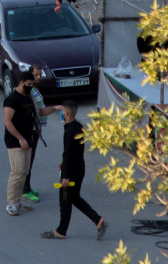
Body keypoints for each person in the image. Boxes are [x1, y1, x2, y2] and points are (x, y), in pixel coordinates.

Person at [42, 100, 106, 240]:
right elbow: (73, 151)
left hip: (71, 172)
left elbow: (69, 154)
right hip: (79, 168)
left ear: (66, 113)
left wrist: (66, 176)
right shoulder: (78, 126)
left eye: (62, 111)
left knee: (65, 200)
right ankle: (97, 220)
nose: (61, 113)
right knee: (75, 198)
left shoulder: (69, 131)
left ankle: (61, 231)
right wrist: (63, 162)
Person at [22, 65, 64, 204]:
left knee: (30, 160)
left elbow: (40, 110)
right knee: (27, 162)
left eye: (40, 74)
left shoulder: (35, 89)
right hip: (30, 131)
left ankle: (27, 188)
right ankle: (24, 191)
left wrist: (54, 108)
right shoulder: (29, 91)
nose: (39, 77)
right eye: (36, 75)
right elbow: (38, 111)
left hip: (35, 129)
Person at [3, 67, 39, 216]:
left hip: (27, 140)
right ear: (22, 82)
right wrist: (20, 138)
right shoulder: (12, 99)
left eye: (32, 85)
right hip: (15, 142)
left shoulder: (28, 97)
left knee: (24, 172)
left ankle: (18, 201)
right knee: (17, 172)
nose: (30, 87)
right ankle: (11, 203)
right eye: (28, 84)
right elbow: (7, 121)